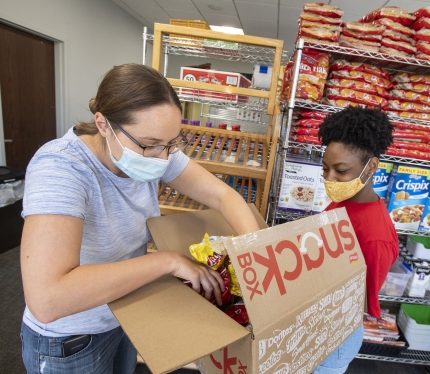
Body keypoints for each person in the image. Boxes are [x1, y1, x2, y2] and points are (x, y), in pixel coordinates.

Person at [19, 63, 261, 374]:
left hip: (124, 314)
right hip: (71, 341)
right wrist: (168, 261)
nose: (164, 158)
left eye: (172, 144)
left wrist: (254, 250)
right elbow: (48, 298)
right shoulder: (61, 169)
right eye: (150, 145)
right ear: (104, 124)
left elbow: (222, 196)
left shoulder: (152, 149)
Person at [313, 106, 399, 374]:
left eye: (341, 170)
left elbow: (359, 303)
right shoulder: (343, 203)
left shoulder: (375, 237)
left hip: (335, 336)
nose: (330, 179)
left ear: (371, 166)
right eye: (326, 169)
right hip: (317, 322)